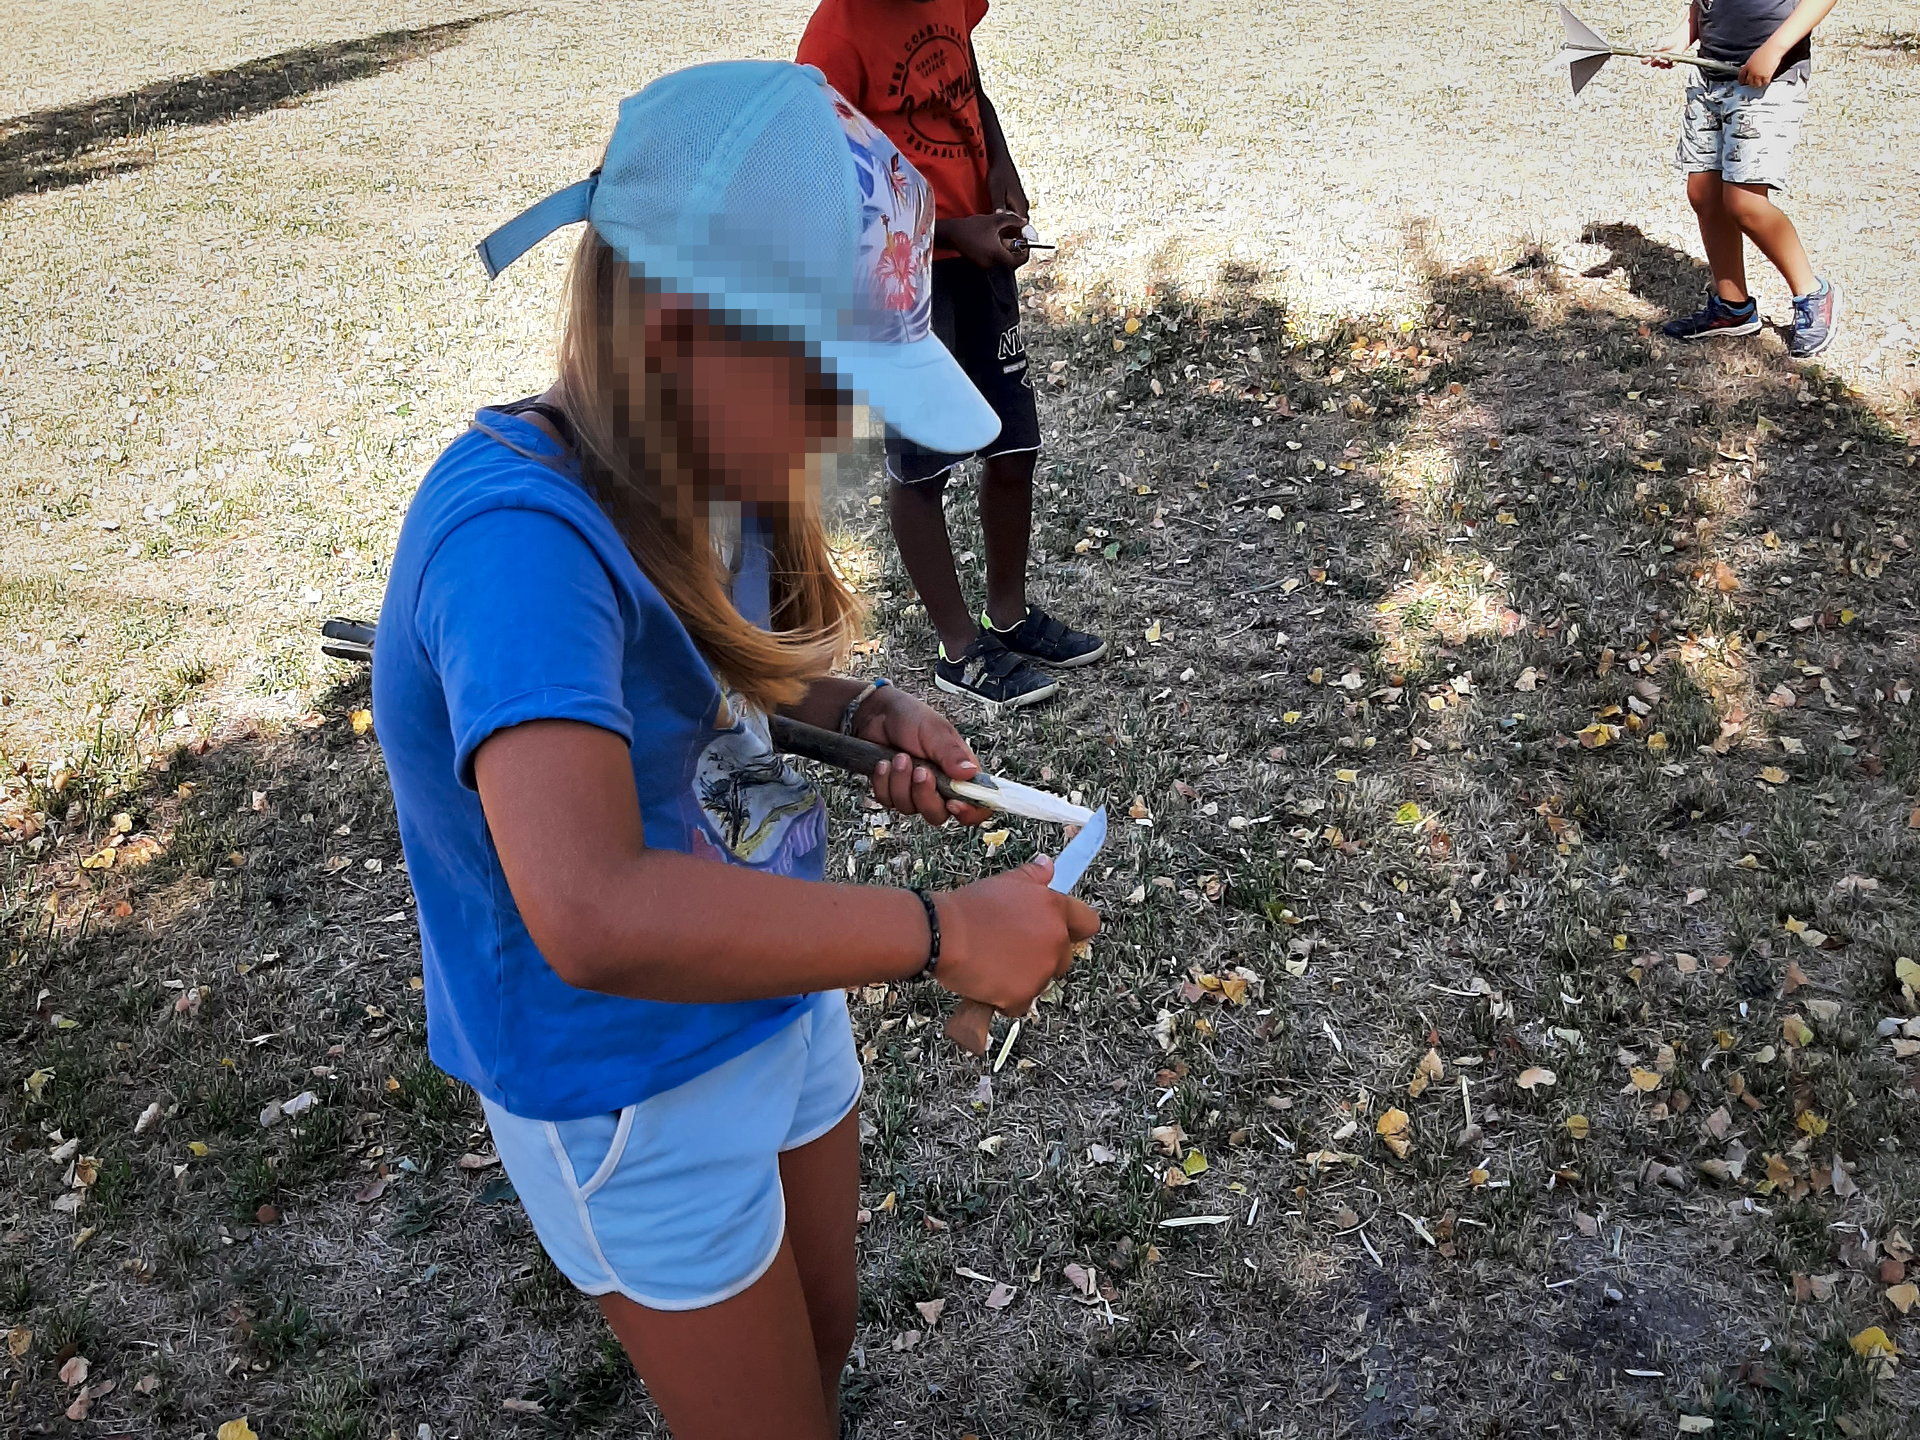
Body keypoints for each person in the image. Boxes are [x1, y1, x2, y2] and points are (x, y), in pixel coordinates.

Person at [371, 62, 1097, 1440]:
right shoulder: (516, 550)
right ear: (680, 334)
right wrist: (940, 932)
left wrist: (856, 712)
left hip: (774, 979)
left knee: (819, 1338)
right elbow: (593, 909)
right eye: (833, 388)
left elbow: (718, 669)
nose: (851, 431)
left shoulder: (707, 465)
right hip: (623, 1081)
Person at [797, 0, 1107, 710]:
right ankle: (960, 648)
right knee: (922, 465)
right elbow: (836, 182)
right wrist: (949, 231)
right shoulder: (836, 38)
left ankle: (1010, 616)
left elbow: (966, 77)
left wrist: (1000, 165)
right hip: (904, 280)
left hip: (978, 259)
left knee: (1013, 443)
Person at [1648, 0, 1840, 357]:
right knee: (1703, 193)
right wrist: (1682, 35)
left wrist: (1775, 48)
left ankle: (1813, 293)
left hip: (1769, 79)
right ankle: (1733, 306)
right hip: (1710, 76)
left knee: (1744, 202)